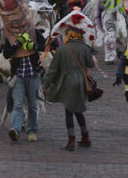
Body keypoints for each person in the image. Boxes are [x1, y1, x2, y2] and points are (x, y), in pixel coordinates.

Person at [43, 11, 96, 151]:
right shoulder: (85, 48)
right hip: (81, 83)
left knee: (69, 112)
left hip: (66, 83)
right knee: (78, 110)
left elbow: (52, 70)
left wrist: (45, 86)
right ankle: (85, 136)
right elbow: (91, 64)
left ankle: (71, 140)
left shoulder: (62, 50)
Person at [3, 24, 45, 142]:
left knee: (32, 103)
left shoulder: (34, 33)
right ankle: (15, 129)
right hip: (18, 75)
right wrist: (17, 43)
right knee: (18, 103)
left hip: (33, 74)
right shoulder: (10, 36)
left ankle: (32, 130)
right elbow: (6, 53)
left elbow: (45, 45)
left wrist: (34, 46)